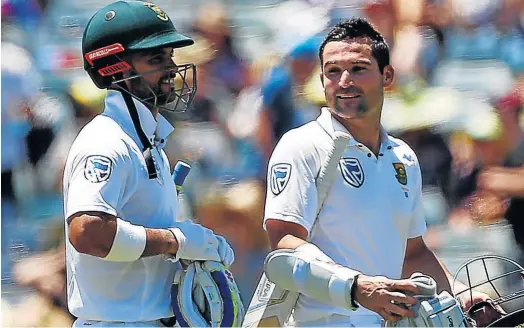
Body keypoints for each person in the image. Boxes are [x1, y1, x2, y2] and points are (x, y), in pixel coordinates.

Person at [263, 18, 501, 327]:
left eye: (358, 69)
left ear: (387, 75)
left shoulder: (402, 157)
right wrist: (356, 288)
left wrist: (460, 293)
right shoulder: (302, 145)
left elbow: (412, 254)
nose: (344, 81)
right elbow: (283, 243)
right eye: (333, 71)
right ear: (322, 80)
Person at [63, 1, 234, 327]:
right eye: (156, 58)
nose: (171, 68)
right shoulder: (106, 141)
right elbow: (88, 233)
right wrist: (176, 241)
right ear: (115, 67)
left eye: (169, 56)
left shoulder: (146, 140)